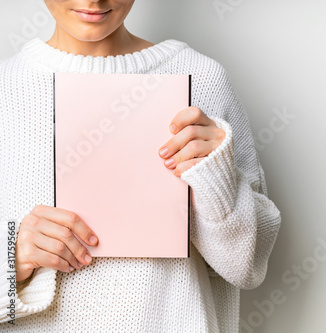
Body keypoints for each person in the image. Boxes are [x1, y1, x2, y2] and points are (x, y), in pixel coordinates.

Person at [0, 1, 281, 332]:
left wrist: (214, 178)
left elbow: (248, 266)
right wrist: (12, 257)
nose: (93, 0)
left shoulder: (202, 78)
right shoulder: (7, 87)